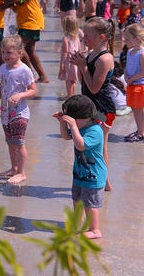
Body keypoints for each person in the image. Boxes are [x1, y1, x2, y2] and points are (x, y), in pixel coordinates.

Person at [69, 17, 115, 191]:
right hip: (90, 106)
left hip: (103, 109)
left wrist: (84, 66)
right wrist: (80, 64)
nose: (84, 39)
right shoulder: (91, 54)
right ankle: (98, 178)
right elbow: (84, 82)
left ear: (102, 37)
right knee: (89, 145)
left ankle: (105, 181)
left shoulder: (105, 59)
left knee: (101, 145)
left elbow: (95, 88)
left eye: (87, 35)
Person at [52, 95, 107, 239]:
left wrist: (74, 126)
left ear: (84, 118)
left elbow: (80, 145)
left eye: (72, 119)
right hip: (80, 172)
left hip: (94, 174)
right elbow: (65, 137)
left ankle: (95, 230)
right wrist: (62, 123)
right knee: (77, 199)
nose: (71, 123)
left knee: (90, 204)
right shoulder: (81, 126)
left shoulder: (95, 130)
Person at [0, 35, 37, 184]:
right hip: (6, 112)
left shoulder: (24, 70)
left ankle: (22, 173)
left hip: (19, 113)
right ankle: (14, 168)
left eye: (9, 53)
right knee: (10, 142)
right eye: (3, 52)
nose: (5, 56)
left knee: (19, 142)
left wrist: (20, 95)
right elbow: (2, 86)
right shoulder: (3, 68)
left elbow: (33, 90)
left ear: (20, 52)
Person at [13, 0, 49, 83]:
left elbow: (20, 0)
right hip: (28, 21)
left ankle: (30, 76)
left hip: (30, 21)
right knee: (29, 50)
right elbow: (13, 0)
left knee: (18, 47)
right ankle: (43, 76)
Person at [122, 24, 144, 142]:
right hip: (132, 84)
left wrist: (132, 78)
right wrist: (126, 76)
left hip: (140, 85)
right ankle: (140, 129)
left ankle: (141, 132)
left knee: (139, 109)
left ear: (137, 40)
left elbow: (143, 72)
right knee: (135, 109)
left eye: (127, 39)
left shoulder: (141, 53)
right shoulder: (130, 51)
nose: (124, 41)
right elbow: (126, 68)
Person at [58, 16, 82, 99]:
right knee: (73, 79)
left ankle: (69, 95)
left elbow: (65, 52)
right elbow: (79, 50)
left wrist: (62, 64)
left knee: (68, 79)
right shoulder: (77, 38)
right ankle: (72, 94)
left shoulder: (65, 39)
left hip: (68, 61)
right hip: (75, 60)